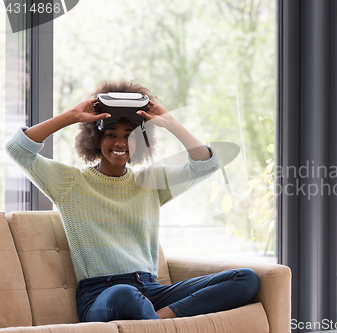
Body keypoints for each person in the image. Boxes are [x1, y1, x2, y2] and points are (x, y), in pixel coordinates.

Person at [4, 79, 260, 322]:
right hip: (101, 295)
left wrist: (170, 122)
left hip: (152, 290)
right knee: (124, 294)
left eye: (129, 135)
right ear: (95, 138)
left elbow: (206, 164)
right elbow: (18, 149)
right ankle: (155, 320)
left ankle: (157, 320)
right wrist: (72, 115)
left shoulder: (151, 182)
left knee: (246, 279)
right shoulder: (70, 183)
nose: (120, 143)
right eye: (111, 134)